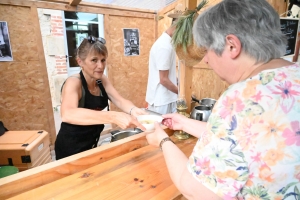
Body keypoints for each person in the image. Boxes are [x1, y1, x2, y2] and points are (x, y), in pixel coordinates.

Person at [146, 0, 300, 199]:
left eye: (207, 50)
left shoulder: (239, 99)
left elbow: (195, 189)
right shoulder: (293, 73)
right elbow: (248, 137)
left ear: (231, 45)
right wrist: (184, 123)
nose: (207, 60)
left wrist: (163, 140)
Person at [55, 35, 146, 160]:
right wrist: (114, 117)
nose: (100, 66)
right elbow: (67, 114)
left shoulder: (101, 79)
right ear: (80, 61)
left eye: (103, 60)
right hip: (71, 147)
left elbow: (119, 99)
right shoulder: (74, 82)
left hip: (91, 142)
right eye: (94, 60)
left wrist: (134, 110)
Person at [145, 18, 178, 115]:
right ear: (177, 26)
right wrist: (181, 92)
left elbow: (166, 74)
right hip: (161, 101)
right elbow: (163, 79)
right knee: (160, 129)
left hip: (166, 99)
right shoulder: (164, 46)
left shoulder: (168, 43)